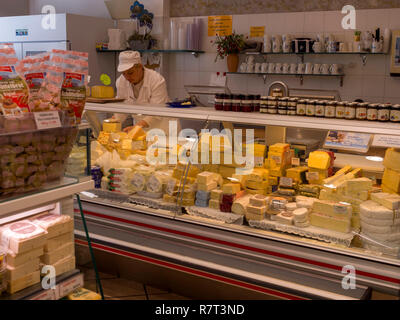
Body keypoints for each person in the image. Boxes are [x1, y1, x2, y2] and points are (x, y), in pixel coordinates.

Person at [115, 51, 172, 136]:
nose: (127, 77)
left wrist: (137, 127)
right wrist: (113, 123)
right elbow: (121, 109)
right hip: (140, 131)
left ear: (140, 67)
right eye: (123, 73)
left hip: (163, 130)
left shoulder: (156, 80)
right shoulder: (121, 82)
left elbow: (157, 112)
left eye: (130, 73)